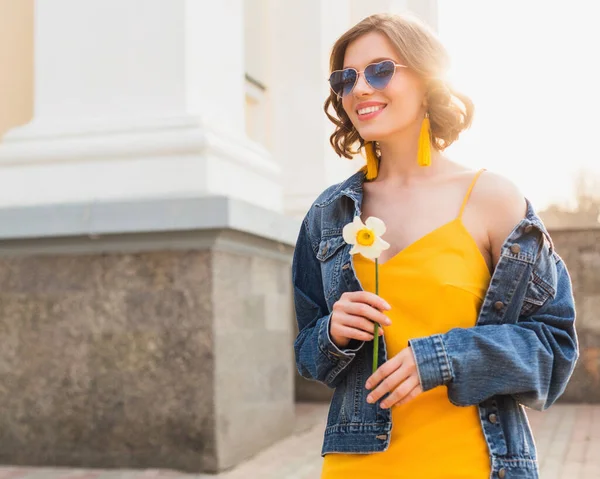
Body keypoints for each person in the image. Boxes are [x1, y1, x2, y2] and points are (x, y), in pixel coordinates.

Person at [291, 12, 578, 479]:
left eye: (380, 70)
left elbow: (555, 348)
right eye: (346, 78)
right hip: (356, 465)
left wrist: (441, 359)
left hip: (473, 462)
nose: (359, 88)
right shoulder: (328, 214)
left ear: (427, 80)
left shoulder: (493, 199)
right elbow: (308, 353)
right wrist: (333, 334)